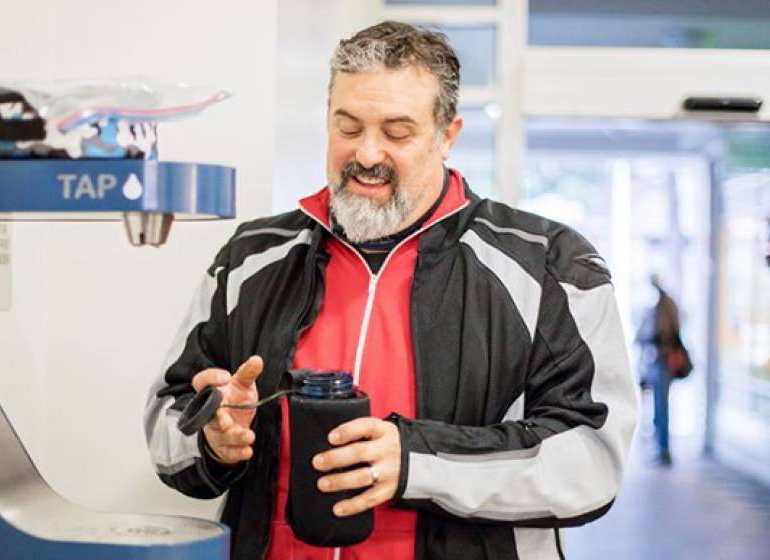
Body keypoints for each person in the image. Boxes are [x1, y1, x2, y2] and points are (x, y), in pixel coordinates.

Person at [144, 21, 638, 559]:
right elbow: (169, 417)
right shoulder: (250, 257)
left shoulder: (549, 264)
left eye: (397, 132)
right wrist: (214, 440)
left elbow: (592, 460)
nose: (368, 154)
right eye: (348, 128)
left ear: (447, 136)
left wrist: (415, 461)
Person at [636, 274, 682, 466]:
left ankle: (663, 451)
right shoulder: (664, 304)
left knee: (661, 407)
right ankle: (661, 449)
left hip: (662, 361)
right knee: (658, 407)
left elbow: (659, 333)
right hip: (659, 361)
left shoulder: (664, 305)